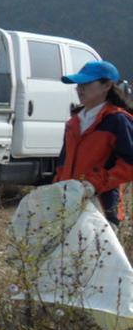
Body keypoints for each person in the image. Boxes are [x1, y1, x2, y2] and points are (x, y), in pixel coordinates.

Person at [55, 60, 133, 228]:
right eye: (78, 84)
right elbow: (62, 165)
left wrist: (94, 184)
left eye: (87, 83)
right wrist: (57, 190)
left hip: (102, 208)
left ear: (107, 86)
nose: (79, 88)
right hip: (68, 207)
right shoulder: (74, 122)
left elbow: (129, 164)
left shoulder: (118, 120)